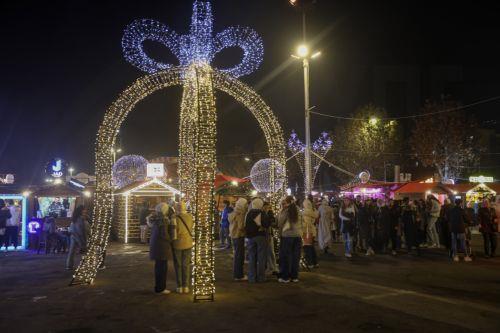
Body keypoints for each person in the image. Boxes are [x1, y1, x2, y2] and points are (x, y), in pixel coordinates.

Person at [148, 202, 175, 294]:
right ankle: (160, 288)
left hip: (156, 246)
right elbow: (164, 235)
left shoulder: (155, 218)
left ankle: (159, 287)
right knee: (162, 268)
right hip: (162, 247)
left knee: (158, 267)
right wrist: (171, 239)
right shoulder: (163, 220)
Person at [277, 196, 303, 283]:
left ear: (286, 202)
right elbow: (302, 222)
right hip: (298, 236)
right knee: (296, 257)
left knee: (286, 257)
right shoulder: (298, 209)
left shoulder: (286, 210)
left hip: (287, 236)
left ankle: (285, 277)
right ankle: (294, 276)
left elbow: (280, 222)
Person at [245, 198, 270, 283]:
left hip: (250, 238)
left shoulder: (248, 214)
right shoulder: (262, 213)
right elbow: (267, 224)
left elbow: (246, 226)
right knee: (261, 258)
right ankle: (261, 277)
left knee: (252, 258)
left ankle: (252, 278)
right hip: (260, 237)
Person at [172, 201, 193, 294]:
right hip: (188, 242)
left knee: (178, 265)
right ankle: (186, 286)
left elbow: (174, 234)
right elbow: (192, 229)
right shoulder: (190, 216)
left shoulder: (174, 218)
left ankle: (179, 286)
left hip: (177, 244)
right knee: (186, 265)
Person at [228, 198, 248, 281]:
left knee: (237, 255)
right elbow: (241, 227)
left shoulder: (233, 212)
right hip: (239, 236)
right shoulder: (240, 214)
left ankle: (237, 274)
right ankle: (239, 275)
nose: (247, 206)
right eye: (246, 204)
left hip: (233, 236)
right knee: (239, 256)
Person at [65, 206, 90, 270]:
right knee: (84, 250)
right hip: (79, 236)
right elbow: (81, 229)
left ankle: (69, 265)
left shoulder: (76, 218)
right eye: (84, 210)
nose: (85, 211)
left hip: (74, 235)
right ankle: (87, 266)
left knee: (72, 251)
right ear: (80, 211)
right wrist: (83, 239)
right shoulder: (80, 219)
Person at [302, 199, 319, 268]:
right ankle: (315, 262)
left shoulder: (305, 212)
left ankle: (310, 263)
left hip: (307, 231)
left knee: (307, 247)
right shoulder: (313, 211)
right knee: (311, 247)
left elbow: (306, 224)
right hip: (312, 231)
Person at [263, 201, 278, 275]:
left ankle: (273, 267)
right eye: (266, 207)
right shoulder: (262, 213)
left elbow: (272, 221)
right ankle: (271, 267)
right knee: (267, 252)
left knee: (270, 252)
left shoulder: (269, 213)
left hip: (268, 235)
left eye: (268, 207)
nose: (267, 208)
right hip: (264, 235)